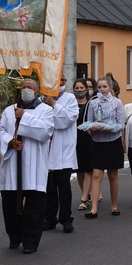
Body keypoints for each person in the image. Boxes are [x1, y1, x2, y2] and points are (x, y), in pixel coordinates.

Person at [0, 78, 54, 254]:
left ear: (37, 92)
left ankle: (30, 241)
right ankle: (14, 235)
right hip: (13, 163)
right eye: (24, 87)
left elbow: (45, 132)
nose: (26, 89)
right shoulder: (8, 111)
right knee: (10, 204)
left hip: (34, 164)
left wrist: (24, 117)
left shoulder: (45, 111)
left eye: (30, 87)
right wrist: (10, 141)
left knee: (34, 206)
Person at [84, 76, 125, 217]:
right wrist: (92, 128)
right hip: (97, 143)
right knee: (96, 174)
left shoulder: (117, 103)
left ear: (110, 88)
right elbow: (88, 121)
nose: (102, 90)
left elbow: (121, 124)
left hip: (112, 142)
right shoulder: (93, 103)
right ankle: (94, 207)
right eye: (99, 87)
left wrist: (110, 128)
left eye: (104, 87)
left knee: (113, 175)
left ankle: (114, 205)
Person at [43, 76, 79, 233]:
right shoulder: (42, 98)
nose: (60, 81)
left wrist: (54, 104)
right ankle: (50, 218)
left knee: (63, 186)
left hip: (64, 150)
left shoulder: (70, 98)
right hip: (47, 149)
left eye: (62, 79)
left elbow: (66, 121)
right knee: (49, 188)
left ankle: (66, 219)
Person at [72, 79, 94, 211]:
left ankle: (85, 198)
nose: (79, 90)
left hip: (89, 139)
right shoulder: (71, 105)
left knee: (88, 169)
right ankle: (85, 194)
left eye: (82, 88)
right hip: (74, 139)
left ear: (87, 89)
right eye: (77, 88)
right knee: (79, 170)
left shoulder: (91, 104)